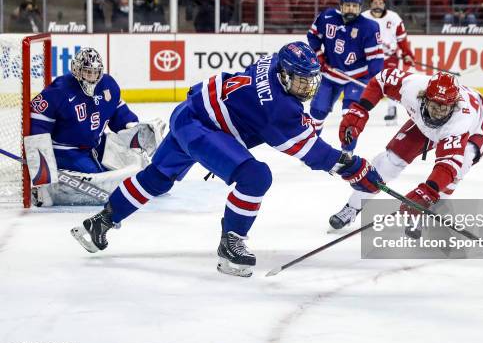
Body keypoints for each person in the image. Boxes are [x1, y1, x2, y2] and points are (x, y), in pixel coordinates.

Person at [69, 42, 384, 277]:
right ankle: (231, 244)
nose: (307, 88)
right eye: (301, 81)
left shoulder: (273, 60)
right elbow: (313, 154)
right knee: (255, 177)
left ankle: (99, 223)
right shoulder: (279, 109)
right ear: (286, 75)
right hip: (203, 127)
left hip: (189, 112)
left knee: (157, 178)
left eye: (310, 81)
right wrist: (355, 168)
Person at [328, 69, 483, 230]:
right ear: (424, 98)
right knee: (389, 162)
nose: (438, 114)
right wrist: (360, 110)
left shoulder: (460, 121)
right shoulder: (411, 87)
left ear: (454, 105)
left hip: (476, 130)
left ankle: (426, 211)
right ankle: (353, 206)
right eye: (435, 106)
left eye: (444, 108)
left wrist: (427, 192)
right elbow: (381, 79)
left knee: (458, 168)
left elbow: (448, 166)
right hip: (424, 125)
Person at [28, 48, 165, 206]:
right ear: (76, 70)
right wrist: (42, 169)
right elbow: (38, 123)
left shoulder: (108, 85)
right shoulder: (59, 90)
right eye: (87, 72)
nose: (92, 77)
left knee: (132, 162)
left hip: (96, 143)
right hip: (66, 150)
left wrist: (132, 125)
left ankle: (151, 181)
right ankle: (58, 190)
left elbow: (117, 111)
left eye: (95, 72)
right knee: (99, 180)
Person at [307, 0, 384, 151]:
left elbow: (375, 60)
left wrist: (376, 82)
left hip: (357, 77)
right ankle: (310, 147)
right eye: (348, 5)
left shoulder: (369, 27)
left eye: (355, 6)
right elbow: (312, 36)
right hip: (330, 73)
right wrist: (319, 56)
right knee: (317, 111)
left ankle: (347, 153)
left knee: (350, 117)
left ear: (360, 8)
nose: (351, 9)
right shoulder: (327, 17)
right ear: (341, 5)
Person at [362, 0, 415, 125]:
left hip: (390, 57)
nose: (378, 4)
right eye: (375, 2)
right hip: (368, 57)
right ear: (371, 3)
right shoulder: (363, 17)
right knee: (364, 82)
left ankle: (392, 109)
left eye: (380, 2)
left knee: (391, 83)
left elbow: (402, 39)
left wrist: (407, 54)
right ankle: (358, 108)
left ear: (384, 3)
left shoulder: (394, 17)